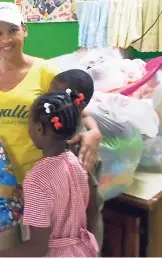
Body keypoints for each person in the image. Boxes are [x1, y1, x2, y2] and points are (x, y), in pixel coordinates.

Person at [0, 1, 102, 254]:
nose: (5, 39)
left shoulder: (46, 71)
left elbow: (78, 111)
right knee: (10, 246)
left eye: (12, 30)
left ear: (24, 30)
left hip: (42, 182)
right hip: (4, 182)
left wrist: (94, 132)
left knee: (42, 246)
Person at [0, 90, 99, 257]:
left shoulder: (37, 179)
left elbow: (37, 248)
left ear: (40, 129)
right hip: (82, 251)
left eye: (28, 123)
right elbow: (66, 205)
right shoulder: (75, 162)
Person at [50, 69, 104, 251]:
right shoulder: (61, 129)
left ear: (79, 104)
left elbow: (91, 201)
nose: (50, 102)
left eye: (56, 96)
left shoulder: (79, 146)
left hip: (78, 236)